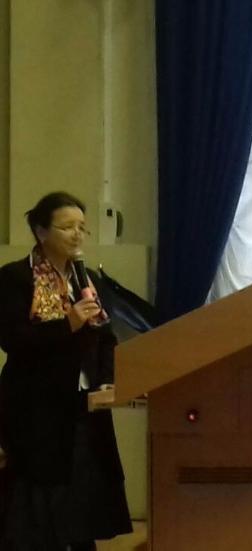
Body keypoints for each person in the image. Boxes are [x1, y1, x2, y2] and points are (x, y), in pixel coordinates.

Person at [0, 192, 132, 550]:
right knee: (40, 505)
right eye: (67, 226)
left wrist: (107, 380)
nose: (77, 235)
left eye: (82, 228)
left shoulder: (86, 279)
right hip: (36, 408)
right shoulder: (15, 277)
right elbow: (12, 340)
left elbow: (105, 336)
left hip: (84, 404)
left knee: (84, 495)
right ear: (42, 231)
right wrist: (67, 324)